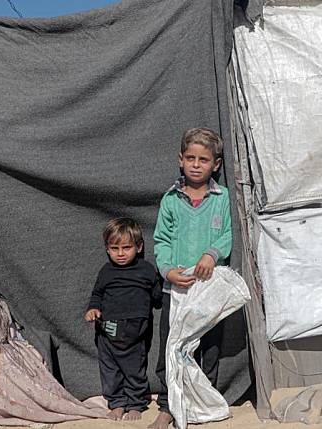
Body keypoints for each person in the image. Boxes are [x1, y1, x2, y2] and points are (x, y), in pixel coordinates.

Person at [149, 127, 232, 429]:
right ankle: (168, 404)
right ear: (180, 160)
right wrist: (168, 269)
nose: (196, 164)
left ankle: (201, 403)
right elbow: (162, 240)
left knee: (208, 346)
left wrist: (211, 254)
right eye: (190, 158)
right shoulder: (171, 200)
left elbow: (226, 234)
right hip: (177, 288)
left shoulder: (221, 198)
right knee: (171, 346)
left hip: (209, 289)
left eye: (204, 159)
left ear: (216, 165)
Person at [84, 217, 160, 421]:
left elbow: (157, 295)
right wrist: (93, 308)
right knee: (110, 371)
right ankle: (117, 403)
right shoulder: (106, 271)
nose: (120, 253)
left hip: (135, 333)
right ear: (107, 249)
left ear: (139, 247)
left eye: (126, 247)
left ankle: (136, 404)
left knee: (135, 370)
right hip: (107, 332)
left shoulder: (146, 270)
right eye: (114, 248)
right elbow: (97, 294)